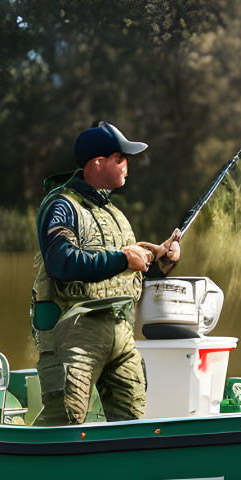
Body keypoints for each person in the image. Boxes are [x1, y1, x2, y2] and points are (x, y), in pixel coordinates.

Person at [30, 121, 181, 425]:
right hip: (74, 333)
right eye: (121, 158)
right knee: (64, 421)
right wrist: (124, 258)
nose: (128, 165)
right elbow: (61, 262)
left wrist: (163, 259)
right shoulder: (62, 206)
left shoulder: (115, 214)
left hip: (121, 335)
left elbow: (128, 272)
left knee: (130, 420)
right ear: (97, 163)